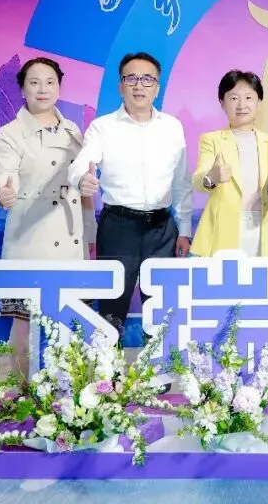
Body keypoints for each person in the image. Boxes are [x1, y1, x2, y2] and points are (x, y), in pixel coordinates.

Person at [68, 52, 193, 339]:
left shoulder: (172, 127)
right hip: (118, 227)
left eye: (147, 79)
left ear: (157, 88)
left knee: (161, 310)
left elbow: (181, 182)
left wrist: (184, 229)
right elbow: (81, 163)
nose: (139, 86)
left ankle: (157, 367)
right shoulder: (103, 127)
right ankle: (107, 367)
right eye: (131, 78)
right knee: (111, 309)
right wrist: (82, 179)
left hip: (162, 229)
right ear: (120, 86)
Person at [0, 57, 95, 376]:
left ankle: (72, 395)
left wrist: (91, 232)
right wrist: (3, 192)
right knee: (24, 324)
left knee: (71, 324)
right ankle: (22, 391)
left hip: (70, 243)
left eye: (50, 82)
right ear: (22, 88)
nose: (43, 89)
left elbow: (83, 183)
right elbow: (5, 175)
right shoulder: (10, 133)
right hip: (30, 241)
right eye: (34, 82)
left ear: (59, 87)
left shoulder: (73, 130)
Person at [190, 70, 268, 259]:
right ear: (222, 102)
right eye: (234, 98)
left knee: (261, 278)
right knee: (226, 277)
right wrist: (212, 177)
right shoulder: (211, 140)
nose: (242, 105)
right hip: (224, 228)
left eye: (249, 97)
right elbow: (198, 179)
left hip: (263, 227)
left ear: (259, 102)